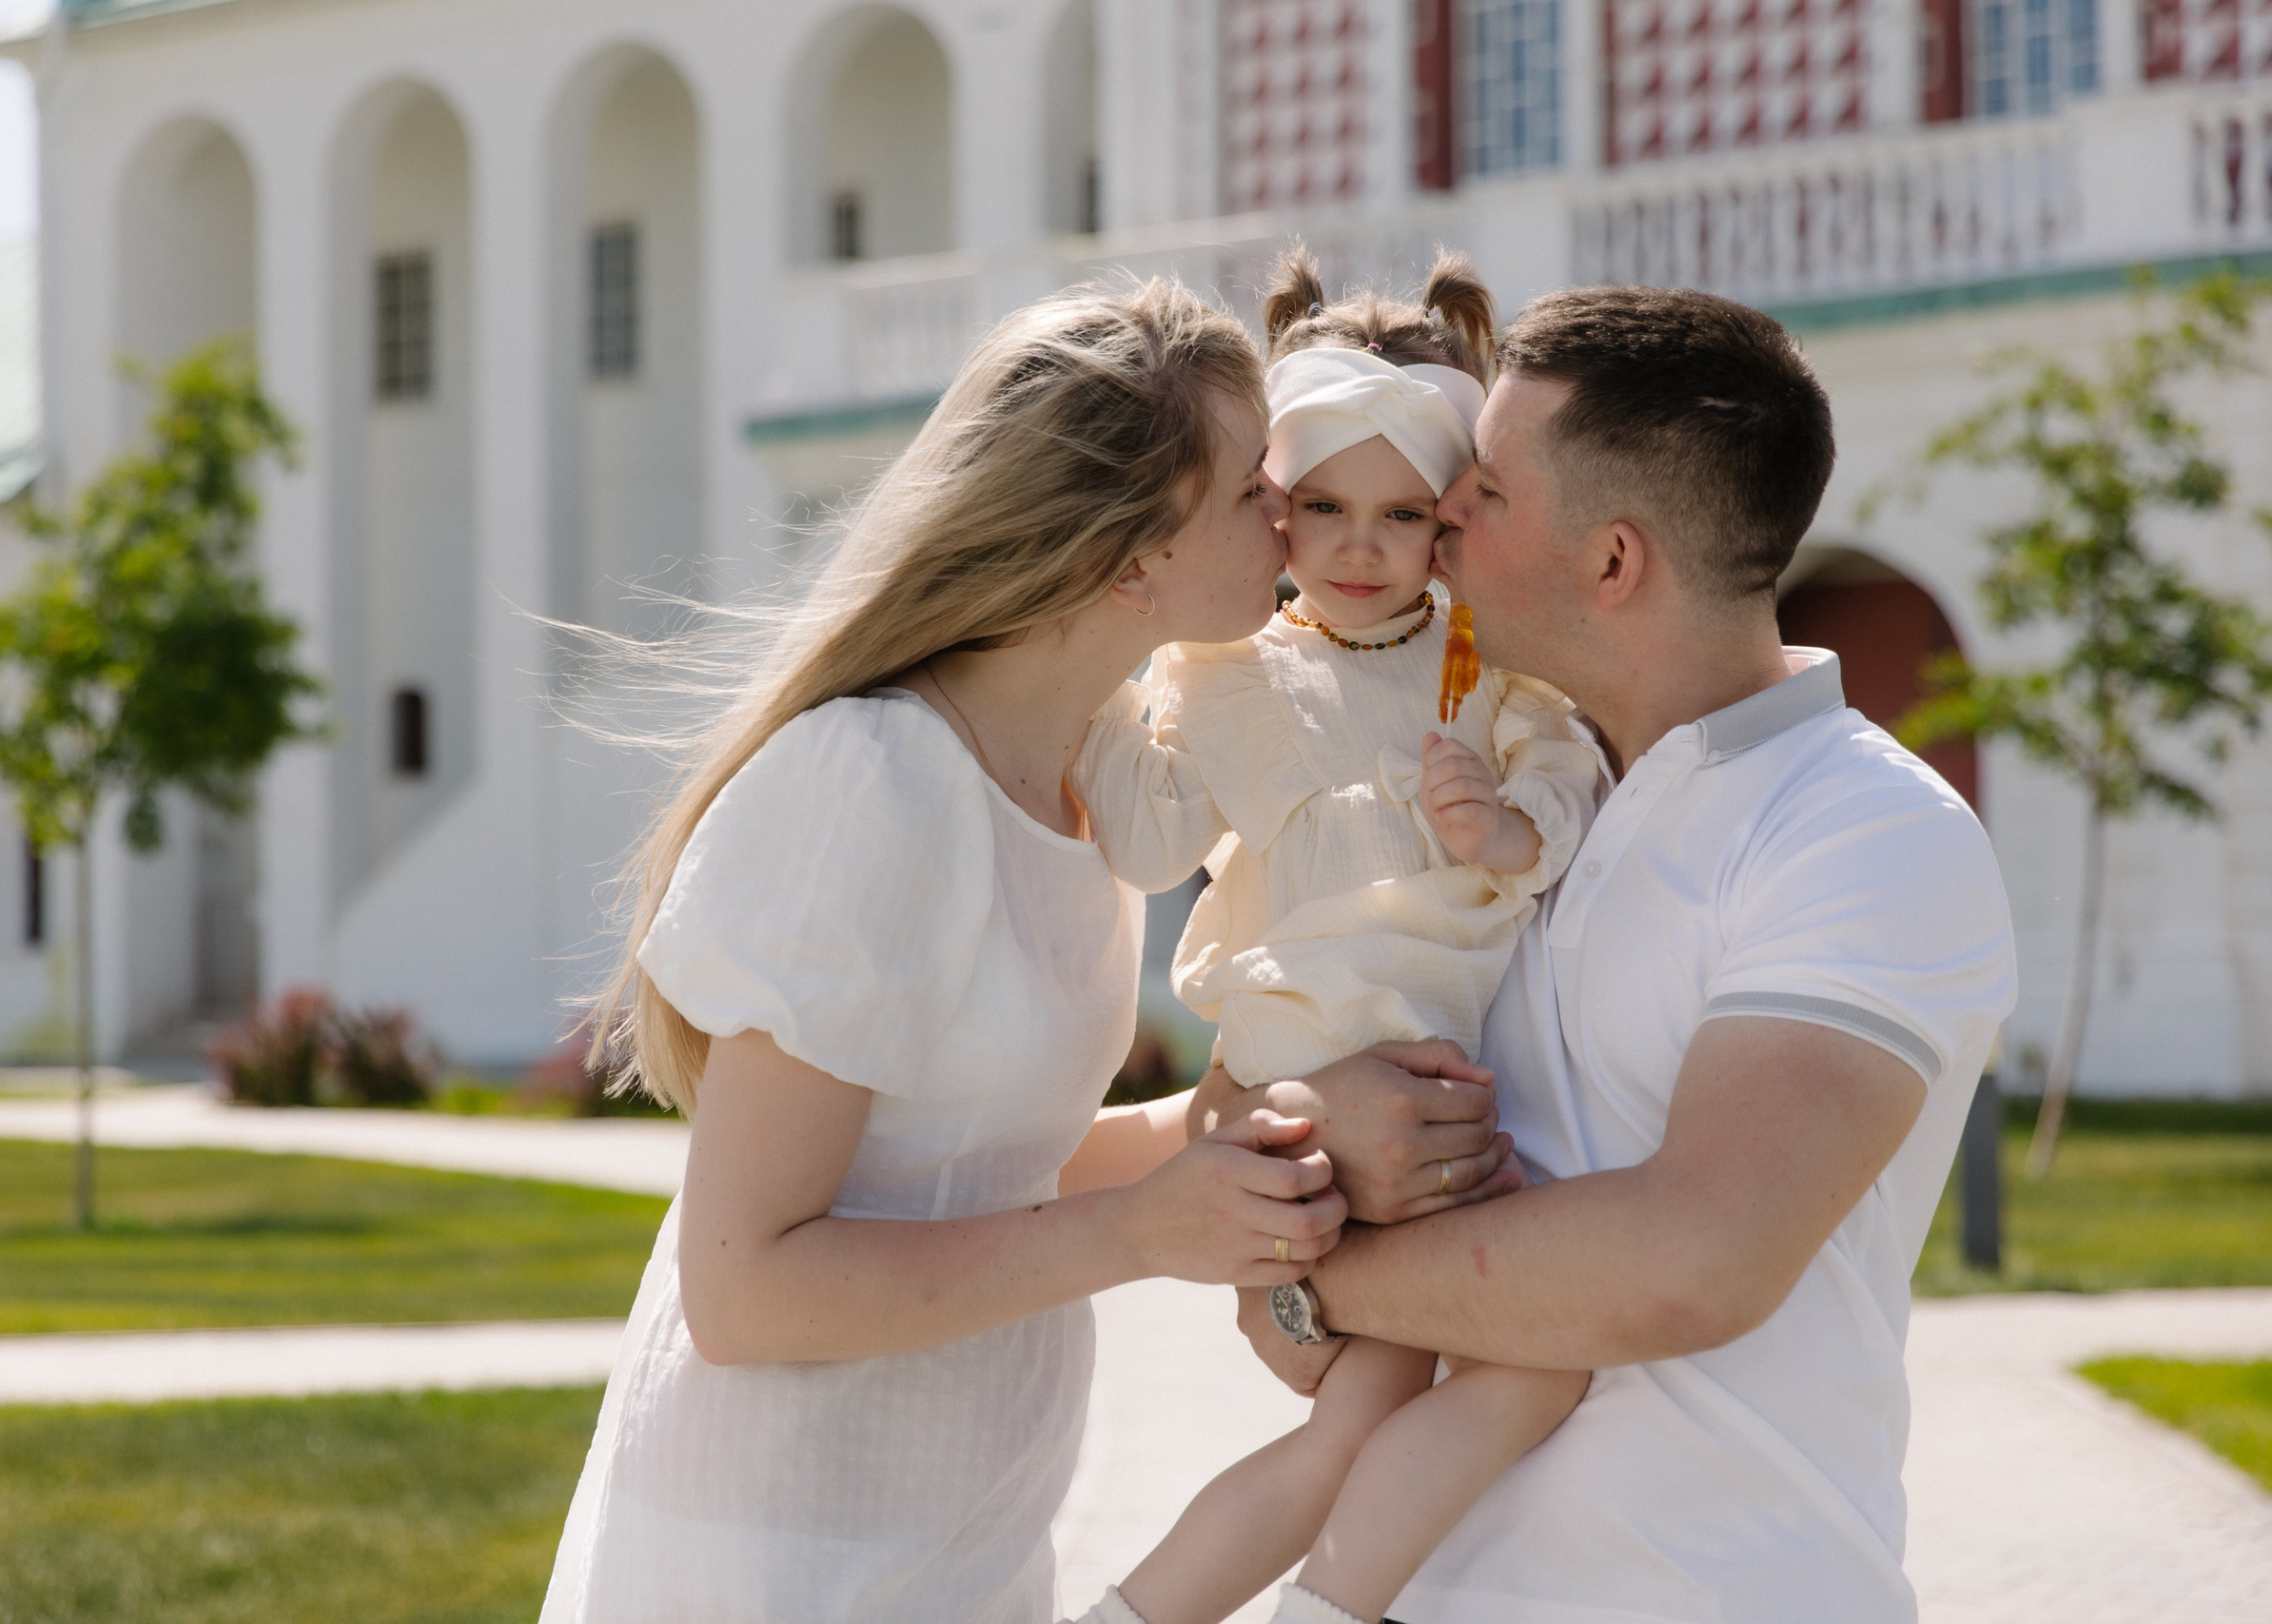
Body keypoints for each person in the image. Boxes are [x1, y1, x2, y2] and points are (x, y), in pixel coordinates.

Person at [1194, 284, 2018, 1623]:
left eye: (1487, 492)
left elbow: (1694, 1259)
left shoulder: (1866, 832)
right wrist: (1285, 1149)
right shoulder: (1510, 798)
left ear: (1615, 561)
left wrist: (1313, 1272)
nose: (1443, 510)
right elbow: (1253, 1103)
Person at [538, 279, 1357, 1624]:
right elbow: (744, 1288)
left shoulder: (1089, 777)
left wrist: (1257, 1123)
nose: (1292, 510)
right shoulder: (869, 786)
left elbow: (972, 1166)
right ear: (1129, 556)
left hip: (952, 1543)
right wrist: (1139, 1235)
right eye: (1248, 487)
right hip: (779, 1568)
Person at [1062, 252, 1600, 1624]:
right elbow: (1149, 838)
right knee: (1503, 1370)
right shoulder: (1224, 672)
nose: (1361, 550)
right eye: (1324, 509)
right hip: (1316, 1086)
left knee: (1404, 1406)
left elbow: (1568, 774)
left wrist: (1507, 829)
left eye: (1401, 515)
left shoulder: (1485, 669)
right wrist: (1110, 665)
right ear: (1275, 508)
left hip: (1434, 1099)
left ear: (1449, 520)